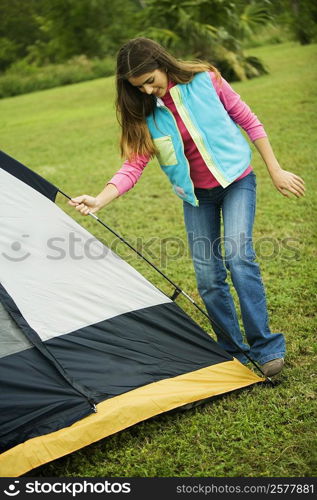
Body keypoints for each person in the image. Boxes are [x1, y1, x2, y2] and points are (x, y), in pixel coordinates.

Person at [69, 37, 305, 377]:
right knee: (208, 277)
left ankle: (266, 346)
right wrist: (100, 198)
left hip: (237, 182)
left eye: (151, 81)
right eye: (139, 87)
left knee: (238, 257)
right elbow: (133, 166)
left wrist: (276, 169)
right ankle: (232, 351)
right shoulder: (144, 113)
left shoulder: (206, 81)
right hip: (196, 197)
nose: (148, 91)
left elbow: (249, 121)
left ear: (162, 63)